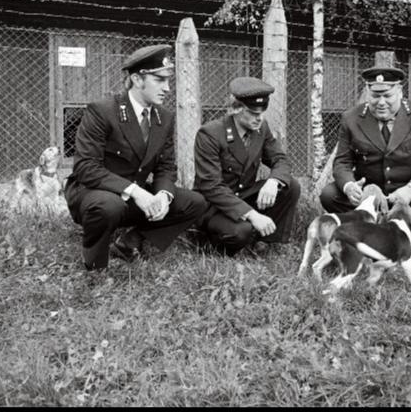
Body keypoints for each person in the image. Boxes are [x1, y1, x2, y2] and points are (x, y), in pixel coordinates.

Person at [65, 44, 208, 271]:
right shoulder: (102, 111)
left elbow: (166, 167)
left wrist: (163, 195)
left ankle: (130, 242)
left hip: (134, 199)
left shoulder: (164, 117)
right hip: (95, 194)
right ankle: (95, 267)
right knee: (108, 206)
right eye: (160, 81)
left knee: (195, 202)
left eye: (168, 81)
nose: (168, 88)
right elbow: (85, 168)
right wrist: (137, 192)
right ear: (137, 80)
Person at [319, 67, 411, 248]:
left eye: (387, 95)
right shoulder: (351, 118)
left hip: (410, 187)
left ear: (400, 92)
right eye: (375, 96)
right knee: (329, 195)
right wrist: (349, 187)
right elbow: (342, 162)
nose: (381, 102)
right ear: (367, 93)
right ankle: (367, 236)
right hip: (370, 191)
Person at [193, 76, 301, 255]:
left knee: (289, 185)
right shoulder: (210, 134)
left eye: (262, 112)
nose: (259, 118)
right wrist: (252, 214)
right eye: (253, 113)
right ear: (235, 109)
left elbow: (280, 159)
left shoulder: (261, 128)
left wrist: (273, 181)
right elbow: (211, 187)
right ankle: (207, 243)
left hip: (243, 195)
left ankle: (264, 242)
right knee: (241, 232)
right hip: (215, 206)